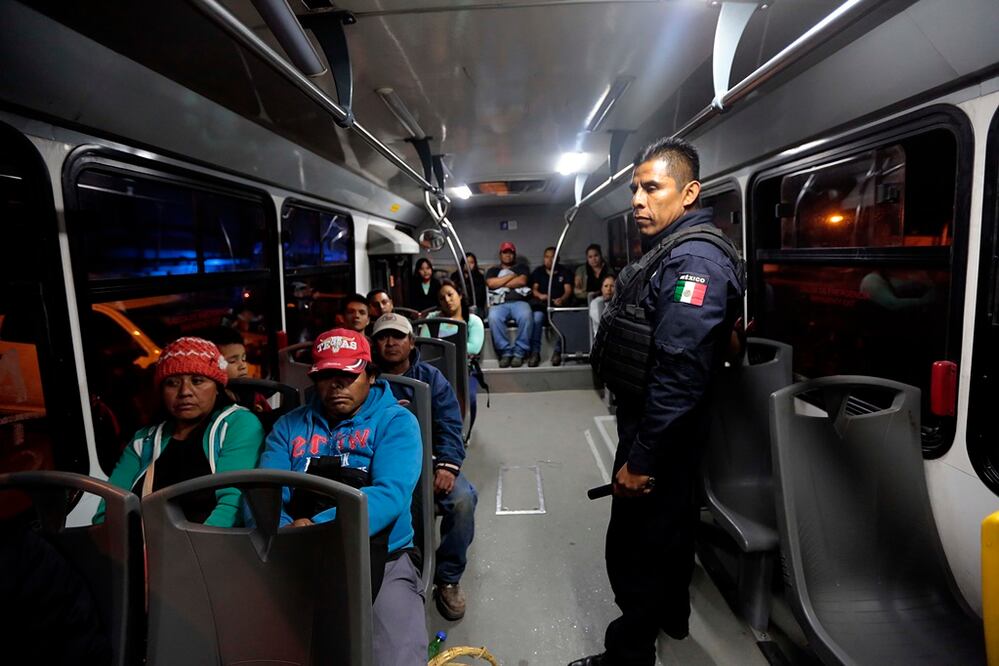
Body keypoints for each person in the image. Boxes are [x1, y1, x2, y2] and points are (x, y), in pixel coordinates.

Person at [570, 137, 744, 666]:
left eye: (652, 188)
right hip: (662, 424)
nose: (637, 201)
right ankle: (673, 615)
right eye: (634, 190)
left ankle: (628, 655)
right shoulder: (675, 249)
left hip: (660, 429)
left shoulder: (694, 261)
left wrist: (642, 459)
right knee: (670, 530)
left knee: (636, 545)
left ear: (689, 193)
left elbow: (679, 372)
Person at [258, 328, 426, 665]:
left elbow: (389, 495)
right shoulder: (288, 426)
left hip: (381, 555)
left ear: (371, 376)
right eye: (325, 376)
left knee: (398, 656)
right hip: (294, 553)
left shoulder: (396, 423)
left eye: (347, 376)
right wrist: (284, 530)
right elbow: (264, 491)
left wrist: (318, 528)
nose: (336, 386)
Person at [371, 313, 478, 621]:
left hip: (427, 462)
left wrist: (447, 466)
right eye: (383, 337)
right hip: (379, 465)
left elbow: (449, 424)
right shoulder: (365, 380)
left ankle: (447, 577)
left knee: (463, 500)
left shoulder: (431, 378)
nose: (390, 343)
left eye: (397, 336)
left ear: (411, 342)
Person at [94, 337, 265, 527]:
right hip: (145, 539)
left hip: (211, 540)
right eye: (172, 383)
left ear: (217, 388)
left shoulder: (238, 424)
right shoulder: (145, 439)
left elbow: (233, 504)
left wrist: (194, 545)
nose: (185, 392)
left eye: (197, 381)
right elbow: (110, 506)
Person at [421, 279, 486, 426]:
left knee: (469, 398)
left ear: (460, 295)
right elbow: (425, 345)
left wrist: (442, 347)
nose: (447, 300)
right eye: (442, 298)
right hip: (437, 370)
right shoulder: (433, 320)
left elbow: (474, 348)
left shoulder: (473, 321)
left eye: (450, 295)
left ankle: (463, 430)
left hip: (464, 370)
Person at [485, 241, 533, 367]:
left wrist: (500, 282)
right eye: (505, 252)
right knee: (493, 317)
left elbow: (522, 281)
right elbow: (491, 284)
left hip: (519, 302)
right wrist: (511, 276)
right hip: (500, 303)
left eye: (510, 253)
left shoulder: (522, 267)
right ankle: (505, 352)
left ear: (514, 255)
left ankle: (519, 353)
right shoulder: (493, 270)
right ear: (500, 255)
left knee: (526, 315)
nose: (508, 255)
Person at [530, 246, 574, 367]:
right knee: (536, 319)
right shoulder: (538, 272)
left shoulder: (564, 272)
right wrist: (541, 296)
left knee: (564, 319)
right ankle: (535, 353)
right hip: (542, 305)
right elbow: (534, 289)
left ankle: (558, 352)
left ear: (558, 258)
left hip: (558, 306)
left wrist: (562, 299)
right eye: (547, 257)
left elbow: (568, 290)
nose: (549, 260)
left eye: (552, 257)